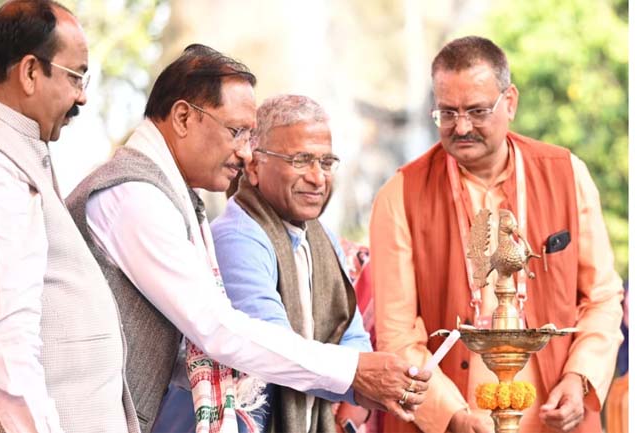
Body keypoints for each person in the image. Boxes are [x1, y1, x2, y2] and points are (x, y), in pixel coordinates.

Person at [66, 44, 430, 433]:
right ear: (184, 117)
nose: (244, 153)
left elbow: (186, 350)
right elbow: (218, 331)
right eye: (237, 132)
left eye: (326, 162)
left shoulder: (173, 197)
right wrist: (353, 372)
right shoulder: (136, 197)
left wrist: (361, 376)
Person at [370, 35, 623, 433]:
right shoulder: (400, 195)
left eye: (477, 111)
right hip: (452, 420)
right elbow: (397, 335)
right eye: (447, 113)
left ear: (511, 102)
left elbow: (602, 298)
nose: (461, 127)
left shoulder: (566, 174)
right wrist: (451, 416)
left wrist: (580, 378)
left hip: (556, 418)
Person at [0, 1, 138, 431]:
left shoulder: (1, 147)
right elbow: (2, 343)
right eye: (76, 76)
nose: (82, 96)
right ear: (31, 72)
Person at [210, 95, 372, 432]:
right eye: (301, 160)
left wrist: (369, 375)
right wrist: (362, 377)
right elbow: (278, 356)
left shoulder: (323, 239)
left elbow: (354, 339)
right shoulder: (237, 236)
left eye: (326, 162)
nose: (318, 178)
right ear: (253, 167)